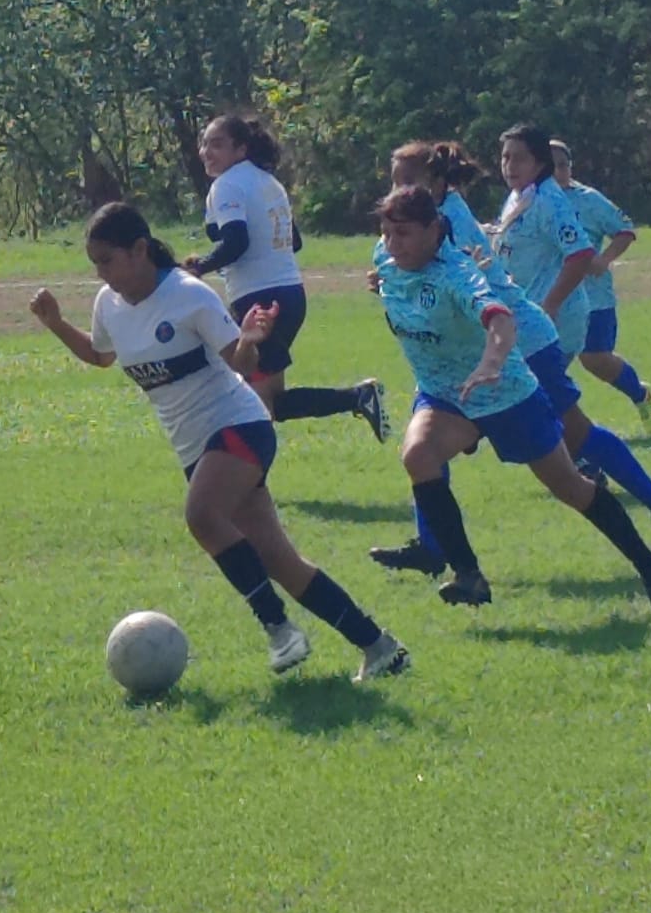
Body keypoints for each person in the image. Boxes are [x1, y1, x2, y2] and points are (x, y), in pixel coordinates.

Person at [30, 201, 410, 683]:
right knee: (280, 562)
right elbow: (101, 355)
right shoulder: (109, 304)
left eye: (107, 260)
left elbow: (242, 364)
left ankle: (278, 629)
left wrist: (250, 337)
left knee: (201, 516)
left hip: (239, 425)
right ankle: (380, 647)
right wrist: (56, 324)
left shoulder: (189, 295)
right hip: (196, 449)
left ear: (140, 249)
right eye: (95, 263)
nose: (102, 273)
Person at [369, 141, 651, 576]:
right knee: (424, 438)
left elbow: (466, 284)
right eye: (395, 181)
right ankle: (434, 546)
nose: (399, 189)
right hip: (468, 353)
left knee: (575, 437)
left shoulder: (448, 223)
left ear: (436, 183)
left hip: (519, 342)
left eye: (407, 180)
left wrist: (545, 309)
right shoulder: (419, 225)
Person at [183, 113, 389, 442]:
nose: (207, 151)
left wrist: (199, 268)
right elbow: (293, 241)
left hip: (261, 301)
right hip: (290, 294)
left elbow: (237, 241)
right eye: (204, 144)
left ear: (241, 148)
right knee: (266, 399)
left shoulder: (227, 185)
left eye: (217, 144)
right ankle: (357, 398)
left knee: (257, 402)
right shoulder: (267, 181)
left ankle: (246, 479)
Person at [551, 139, 651, 426]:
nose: (557, 171)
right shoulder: (529, 199)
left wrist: (604, 259)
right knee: (547, 363)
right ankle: (559, 430)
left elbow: (624, 230)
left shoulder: (588, 200)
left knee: (594, 357)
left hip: (592, 297)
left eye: (563, 165)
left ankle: (640, 394)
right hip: (547, 297)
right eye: (551, 166)